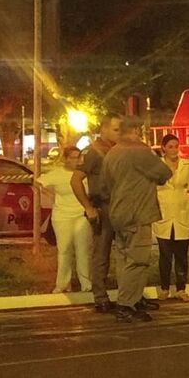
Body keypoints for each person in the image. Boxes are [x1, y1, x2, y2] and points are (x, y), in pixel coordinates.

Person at [103, 116, 172, 322]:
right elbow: (163, 173)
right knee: (138, 261)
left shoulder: (112, 153)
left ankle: (131, 298)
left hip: (118, 213)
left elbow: (105, 185)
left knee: (124, 260)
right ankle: (126, 304)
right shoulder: (139, 151)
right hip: (137, 213)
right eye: (140, 131)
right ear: (134, 131)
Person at [71, 112, 121, 313]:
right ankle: (100, 296)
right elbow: (75, 181)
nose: (120, 133)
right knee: (101, 254)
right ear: (104, 129)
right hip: (103, 208)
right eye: (116, 129)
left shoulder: (119, 150)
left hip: (121, 208)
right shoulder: (93, 151)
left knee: (126, 254)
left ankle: (129, 296)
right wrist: (88, 207)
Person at [153, 134, 189, 302]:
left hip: (182, 212)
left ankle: (181, 289)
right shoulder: (157, 166)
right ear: (163, 149)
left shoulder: (187, 165)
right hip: (164, 213)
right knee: (165, 254)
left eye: (176, 146)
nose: (174, 150)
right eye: (170, 147)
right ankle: (164, 288)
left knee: (181, 254)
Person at [38, 146, 92, 293]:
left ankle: (86, 284)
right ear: (66, 159)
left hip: (81, 215)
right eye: (73, 157)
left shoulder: (83, 174)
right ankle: (62, 284)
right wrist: (52, 195)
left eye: (79, 157)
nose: (77, 161)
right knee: (64, 250)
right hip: (62, 216)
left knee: (82, 249)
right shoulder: (57, 174)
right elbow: (38, 182)